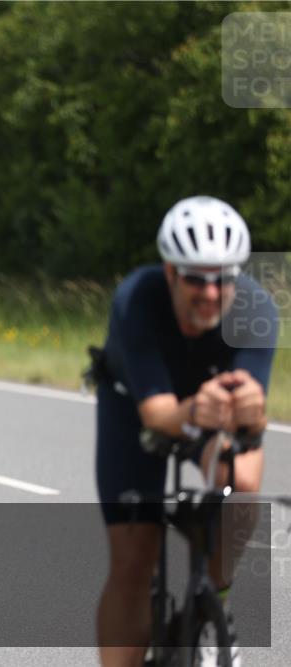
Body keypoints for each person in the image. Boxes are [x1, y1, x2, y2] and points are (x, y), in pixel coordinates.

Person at [93, 196, 276, 667]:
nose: (210, 293)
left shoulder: (256, 310)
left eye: (223, 279)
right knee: (134, 558)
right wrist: (197, 406)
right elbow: (158, 416)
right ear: (170, 272)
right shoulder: (137, 299)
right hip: (134, 405)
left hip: (209, 408)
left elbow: (253, 424)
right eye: (195, 278)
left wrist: (253, 413)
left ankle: (215, 602)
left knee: (244, 486)